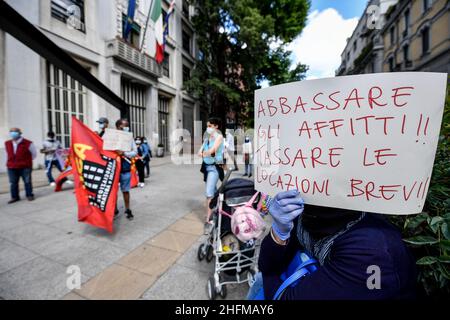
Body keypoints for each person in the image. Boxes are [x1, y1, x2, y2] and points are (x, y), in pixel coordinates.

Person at [249, 190, 417, 300]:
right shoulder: (306, 211)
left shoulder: (372, 250)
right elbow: (269, 262)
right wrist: (279, 231)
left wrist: (270, 272)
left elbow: (277, 286)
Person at [198, 117, 224, 234]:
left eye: (210, 126)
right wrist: (201, 151)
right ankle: (219, 210)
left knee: (209, 193)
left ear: (216, 126)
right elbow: (202, 148)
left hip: (214, 168)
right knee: (213, 193)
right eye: (207, 126)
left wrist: (204, 153)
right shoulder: (208, 137)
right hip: (207, 167)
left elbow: (213, 149)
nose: (208, 128)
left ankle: (208, 220)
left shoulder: (219, 137)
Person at [5, 128, 37, 203]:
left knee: (27, 181)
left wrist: (25, 161)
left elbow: (34, 154)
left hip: (25, 167)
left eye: (15, 131)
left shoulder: (28, 143)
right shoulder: (7, 143)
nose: (13, 133)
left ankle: (29, 195)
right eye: (11, 132)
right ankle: (15, 197)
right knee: (13, 183)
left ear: (20, 133)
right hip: (11, 167)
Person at [115, 119, 137, 220]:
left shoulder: (129, 138)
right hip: (113, 170)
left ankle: (127, 209)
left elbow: (135, 152)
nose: (127, 127)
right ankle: (114, 209)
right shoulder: (111, 137)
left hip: (125, 169)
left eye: (127, 126)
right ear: (119, 126)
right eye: (125, 125)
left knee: (125, 190)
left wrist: (124, 153)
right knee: (113, 191)